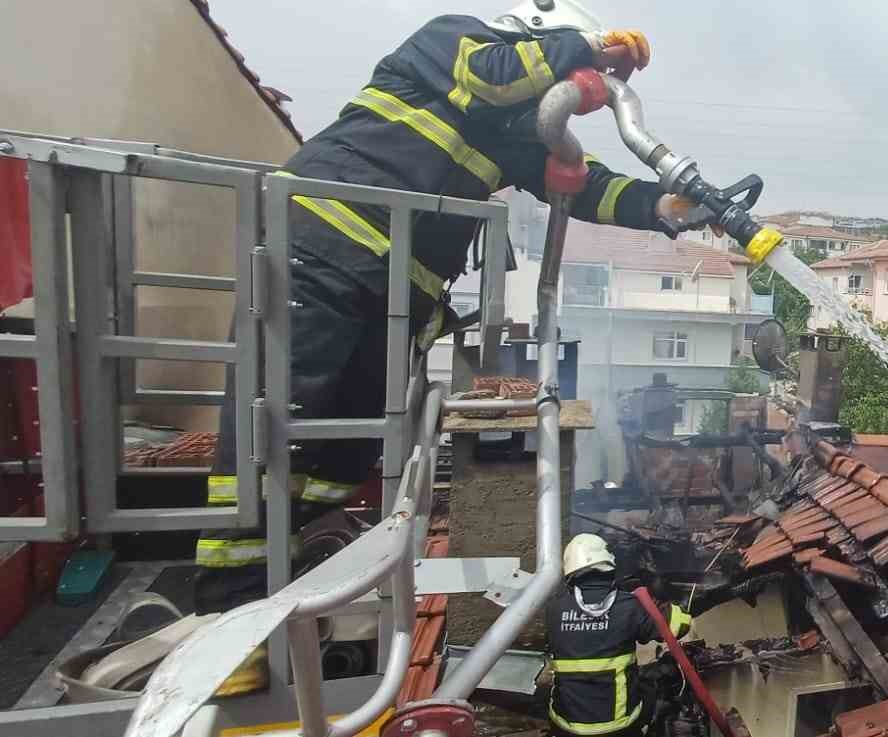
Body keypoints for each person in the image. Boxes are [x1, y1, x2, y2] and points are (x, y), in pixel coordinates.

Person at [195, 1, 700, 624]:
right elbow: (497, 73)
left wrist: (667, 206)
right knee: (276, 429)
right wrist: (591, 51)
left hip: (392, 294)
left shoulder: (508, 131)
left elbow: (582, 182)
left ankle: (294, 555)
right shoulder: (453, 42)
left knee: (347, 450)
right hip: (317, 248)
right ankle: (228, 610)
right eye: (564, 54)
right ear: (538, 34)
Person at [548, 534, 692, 737]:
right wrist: (660, 600)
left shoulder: (554, 609)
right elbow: (679, 626)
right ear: (609, 567)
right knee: (657, 690)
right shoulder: (628, 606)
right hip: (618, 726)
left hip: (566, 725)